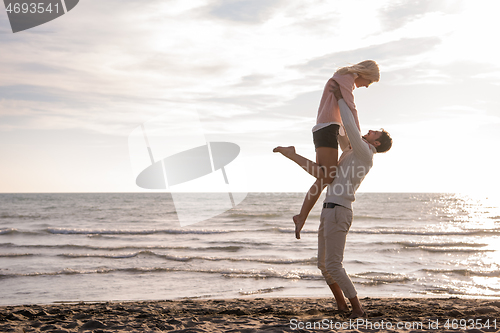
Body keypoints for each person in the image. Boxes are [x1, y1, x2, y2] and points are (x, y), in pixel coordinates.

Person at [275, 82, 392, 318]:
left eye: (375, 133)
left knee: (334, 266)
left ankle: (358, 308)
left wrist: (340, 97)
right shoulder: (353, 151)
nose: (370, 131)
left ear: (376, 143)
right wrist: (335, 111)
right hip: (329, 209)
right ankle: (341, 305)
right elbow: (343, 133)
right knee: (323, 265)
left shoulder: (365, 153)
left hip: (339, 210)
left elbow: (349, 126)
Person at [274, 60, 380, 239]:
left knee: (325, 177)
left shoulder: (343, 78)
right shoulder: (346, 78)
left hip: (327, 127)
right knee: (327, 177)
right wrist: (356, 135)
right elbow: (350, 109)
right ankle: (292, 155)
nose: (368, 86)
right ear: (366, 74)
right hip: (328, 127)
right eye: (370, 82)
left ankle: (301, 216)